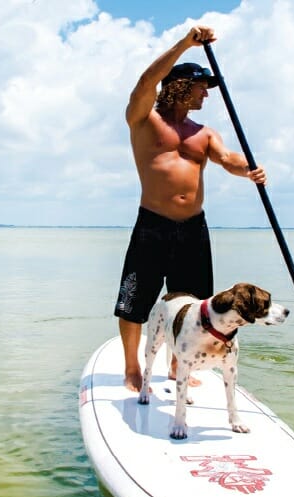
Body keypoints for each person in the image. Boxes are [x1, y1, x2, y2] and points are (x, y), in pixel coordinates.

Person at [114, 26, 267, 392]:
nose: (206, 94)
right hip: (153, 224)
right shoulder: (144, 119)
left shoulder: (205, 132)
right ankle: (132, 367)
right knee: (135, 299)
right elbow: (145, 82)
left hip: (193, 229)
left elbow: (227, 158)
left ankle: (175, 365)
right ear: (180, 85)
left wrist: (248, 169)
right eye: (201, 87)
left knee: (193, 302)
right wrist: (185, 44)